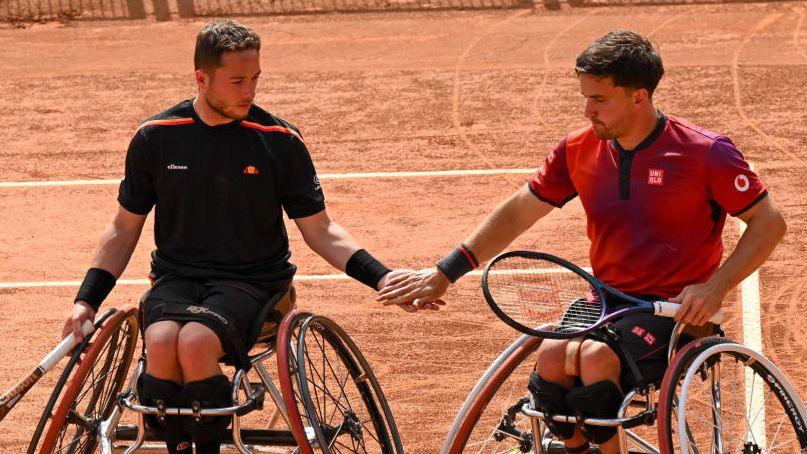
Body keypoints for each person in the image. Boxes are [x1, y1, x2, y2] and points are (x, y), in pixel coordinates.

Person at [378, 29, 786, 453]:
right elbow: (519, 211)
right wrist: (447, 272)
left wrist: (715, 286)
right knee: (552, 359)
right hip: (606, 301)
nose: (587, 110)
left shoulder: (705, 152)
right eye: (585, 97)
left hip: (676, 310)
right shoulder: (577, 150)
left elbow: (769, 222)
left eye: (599, 99)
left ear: (638, 97)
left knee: (593, 361)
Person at [60, 19, 418, 454]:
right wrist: (87, 299)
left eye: (255, 79)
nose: (250, 92)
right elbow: (123, 228)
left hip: (255, 283)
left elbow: (321, 230)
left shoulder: (278, 140)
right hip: (176, 280)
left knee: (193, 341)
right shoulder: (155, 137)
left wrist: (380, 276)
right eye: (237, 81)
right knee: (158, 340)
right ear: (202, 78)